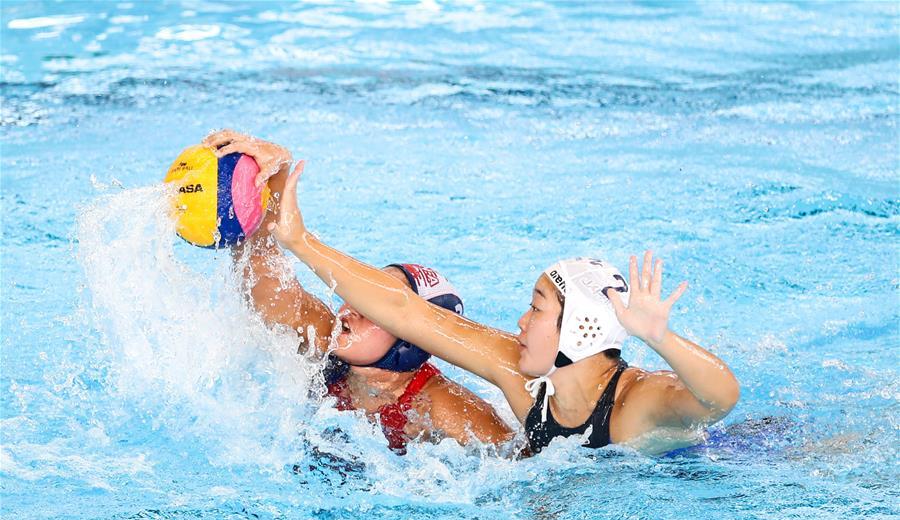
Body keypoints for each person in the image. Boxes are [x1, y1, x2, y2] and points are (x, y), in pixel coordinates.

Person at [233, 134, 741, 455]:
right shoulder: (522, 380)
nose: (521, 321)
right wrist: (291, 229)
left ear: (579, 330)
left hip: (731, 463)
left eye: (537, 309)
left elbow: (719, 399)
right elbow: (408, 312)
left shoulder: (635, 405)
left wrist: (660, 338)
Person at [201, 131, 513, 454]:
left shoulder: (446, 409)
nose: (350, 308)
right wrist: (270, 179)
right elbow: (264, 283)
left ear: (411, 340)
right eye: (360, 296)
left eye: (373, 307)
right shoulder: (328, 342)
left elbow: (523, 465)